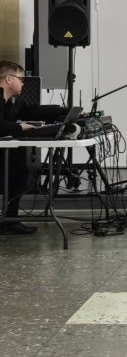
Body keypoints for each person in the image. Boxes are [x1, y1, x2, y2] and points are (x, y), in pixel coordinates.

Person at [0, 61, 66, 234]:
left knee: (19, 171)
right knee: (18, 172)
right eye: (20, 79)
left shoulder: (11, 102)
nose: (23, 83)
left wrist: (66, 111)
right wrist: (20, 127)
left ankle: (9, 220)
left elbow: (35, 110)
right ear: (8, 79)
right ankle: (8, 221)